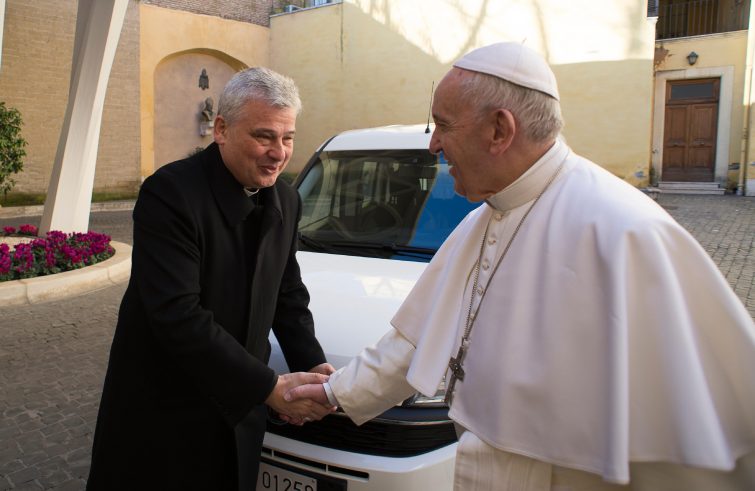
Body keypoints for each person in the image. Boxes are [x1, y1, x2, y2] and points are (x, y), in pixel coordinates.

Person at [285, 43, 755, 490]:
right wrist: (334, 394)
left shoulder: (625, 231)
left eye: (443, 126)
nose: (435, 147)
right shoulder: (482, 220)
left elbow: (690, 432)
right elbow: (413, 340)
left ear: (499, 130)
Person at [87, 67, 335, 491]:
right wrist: (268, 386)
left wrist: (313, 367)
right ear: (221, 129)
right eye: (264, 136)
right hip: (165, 413)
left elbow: (287, 294)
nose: (279, 152)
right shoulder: (169, 194)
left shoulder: (287, 199)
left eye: (288, 137)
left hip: (238, 409)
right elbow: (177, 314)